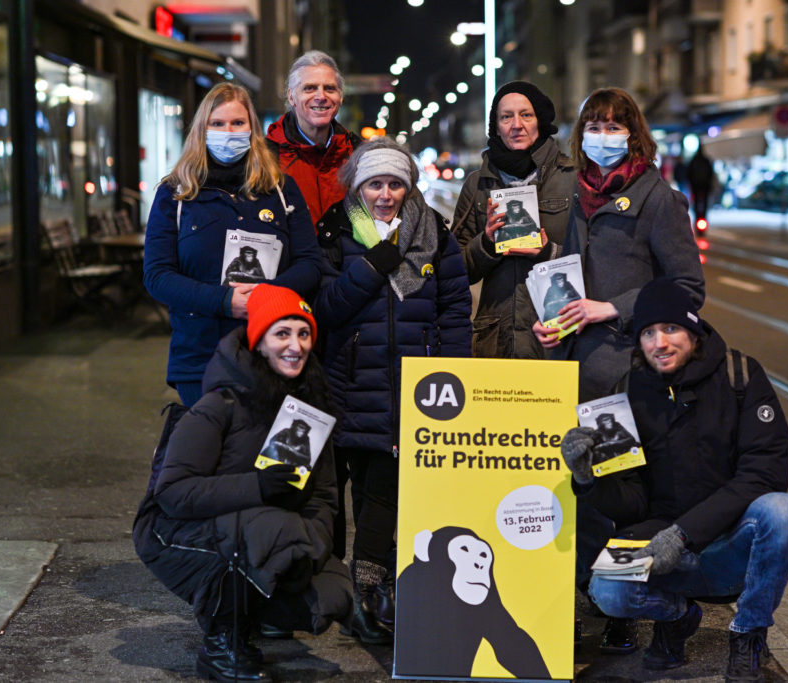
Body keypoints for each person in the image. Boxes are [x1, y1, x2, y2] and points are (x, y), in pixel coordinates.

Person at [561, 278, 788, 683]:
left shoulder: (741, 375)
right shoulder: (626, 391)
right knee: (606, 590)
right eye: (648, 333)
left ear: (693, 331)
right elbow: (633, 502)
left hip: (730, 547)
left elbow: (765, 474)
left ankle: (748, 632)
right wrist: (588, 479)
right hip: (662, 550)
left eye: (671, 329)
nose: (660, 343)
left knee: (782, 511)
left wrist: (683, 533)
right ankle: (676, 618)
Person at [133, 285, 352, 682]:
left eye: (304, 334)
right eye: (282, 333)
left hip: (262, 532)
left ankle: (249, 620)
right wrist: (259, 487)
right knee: (268, 531)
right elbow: (172, 492)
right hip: (175, 532)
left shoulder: (309, 411)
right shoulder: (220, 404)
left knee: (331, 586)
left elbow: (324, 496)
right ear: (259, 341)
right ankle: (222, 644)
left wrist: (311, 545)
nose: (296, 345)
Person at [315, 136, 472, 644]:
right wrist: (370, 266)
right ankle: (361, 589)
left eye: (395, 185)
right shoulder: (336, 232)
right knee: (360, 488)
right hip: (353, 383)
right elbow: (325, 307)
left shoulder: (434, 233)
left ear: (409, 187)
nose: (385, 195)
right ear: (357, 187)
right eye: (375, 184)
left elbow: (454, 310)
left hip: (416, 387)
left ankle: (373, 589)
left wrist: (453, 375)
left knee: (387, 489)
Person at [144, 82, 321, 408]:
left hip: (273, 354)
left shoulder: (281, 189)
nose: (228, 132)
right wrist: (225, 301)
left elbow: (310, 264)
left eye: (238, 123)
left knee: (265, 442)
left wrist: (264, 298)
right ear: (202, 129)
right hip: (201, 357)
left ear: (252, 129)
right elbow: (157, 276)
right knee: (209, 439)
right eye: (218, 123)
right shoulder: (175, 194)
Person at [533, 87, 705, 403]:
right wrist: (553, 318)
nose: (603, 136)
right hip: (571, 364)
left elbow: (688, 288)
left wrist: (613, 308)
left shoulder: (659, 200)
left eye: (613, 127)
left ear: (632, 135)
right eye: (594, 127)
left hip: (627, 368)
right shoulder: (578, 193)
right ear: (581, 135)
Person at [453, 81, 576, 359]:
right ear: (496, 127)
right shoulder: (477, 185)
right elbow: (456, 270)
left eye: (526, 115)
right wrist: (486, 244)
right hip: (498, 341)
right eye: (506, 117)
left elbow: (596, 258)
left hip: (558, 336)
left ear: (540, 121)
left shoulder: (573, 179)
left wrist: (549, 252)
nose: (516, 125)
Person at [266, 50, 361, 225]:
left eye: (330, 89)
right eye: (309, 88)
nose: (321, 97)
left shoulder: (359, 155)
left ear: (340, 98)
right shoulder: (265, 157)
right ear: (291, 97)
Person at [687, 145, 714, 222]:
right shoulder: (706, 161)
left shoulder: (693, 160)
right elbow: (711, 174)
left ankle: (697, 217)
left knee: (696, 202)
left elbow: (689, 173)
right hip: (705, 186)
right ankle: (704, 216)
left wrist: (691, 184)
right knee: (705, 202)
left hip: (695, 186)